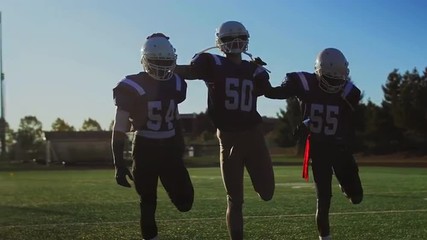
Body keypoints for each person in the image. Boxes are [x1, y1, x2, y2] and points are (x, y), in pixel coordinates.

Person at [175, 20, 275, 240]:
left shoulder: (252, 68)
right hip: (228, 139)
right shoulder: (212, 63)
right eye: (229, 38)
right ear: (220, 43)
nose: (235, 42)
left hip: (254, 136)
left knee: (267, 193)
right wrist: (166, 66)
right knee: (234, 199)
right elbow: (191, 72)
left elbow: (266, 91)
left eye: (239, 37)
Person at [265, 48, 364, 240]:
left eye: (339, 79)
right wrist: (259, 77)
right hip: (319, 150)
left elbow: (348, 121)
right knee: (323, 200)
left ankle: (346, 186)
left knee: (357, 198)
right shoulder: (305, 83)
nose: (336, 84)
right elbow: (274, 93)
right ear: (318, 72)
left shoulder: (350, 92)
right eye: (331, 79)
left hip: (340, 148)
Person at [111, 33, 194, 240]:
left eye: (166, 61)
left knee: (186, 202)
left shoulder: (176, 83)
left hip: (169, 148)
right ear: (146, 60)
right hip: (145, 147)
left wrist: (179, 148)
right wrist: (119, 163)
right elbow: (119, 128)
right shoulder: (131, 85)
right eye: (156, 61)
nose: (161, 66)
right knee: (148, 201)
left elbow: (174, 118)